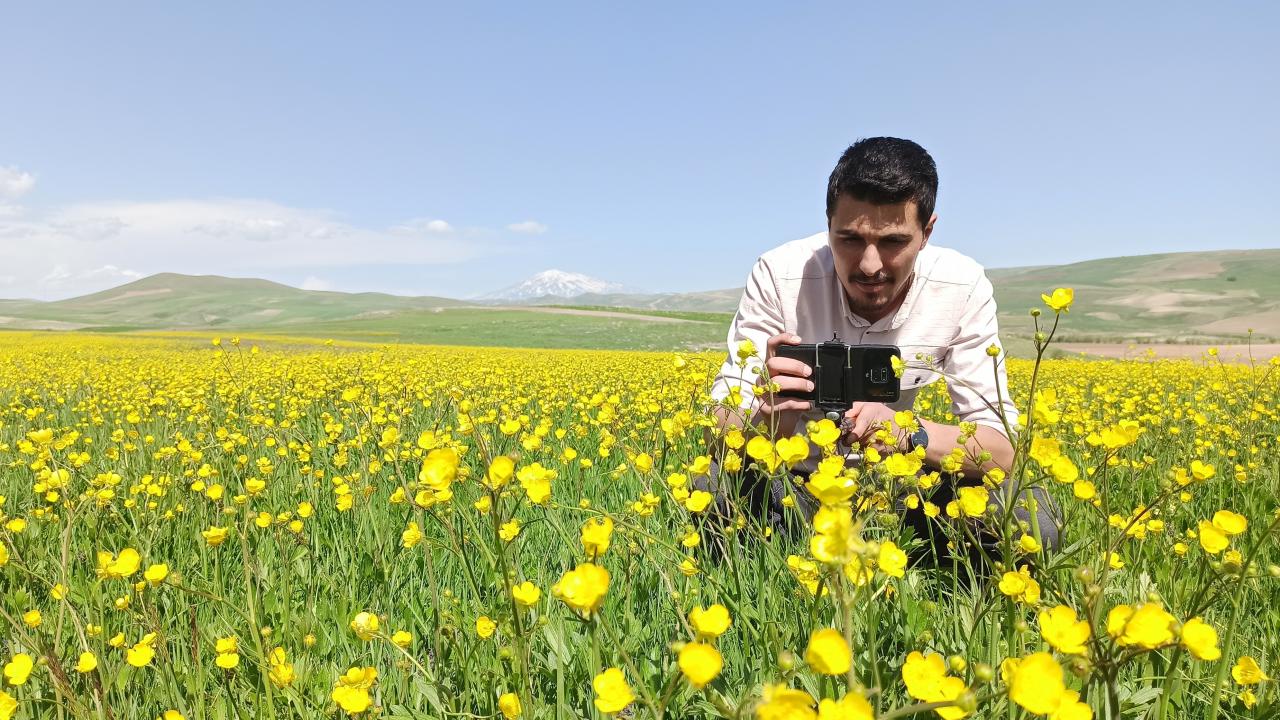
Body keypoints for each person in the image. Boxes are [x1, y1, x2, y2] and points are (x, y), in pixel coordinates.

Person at [699, 137, 1059, 564]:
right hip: (794, 486)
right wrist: (768, 415)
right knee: (712, 490)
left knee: (1029, 518)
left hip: (901, 491)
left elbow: (1000, 449)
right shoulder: (780, 275)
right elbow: (715, 435)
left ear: (927, 233)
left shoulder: (961, 286)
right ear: (827, 224)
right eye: (849, 239)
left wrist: (907, 433)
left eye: (892, 242)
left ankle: (931, 586)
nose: (869, 264)